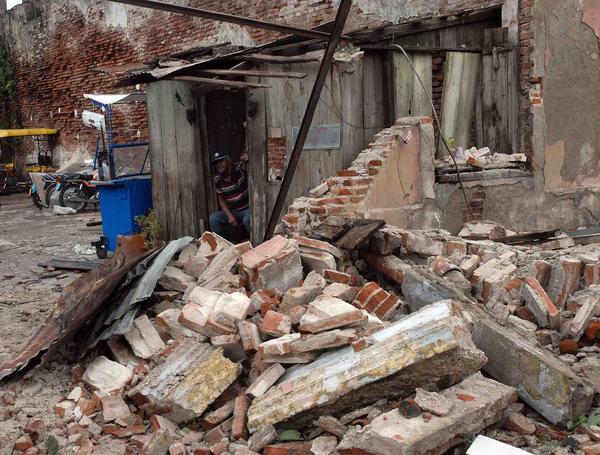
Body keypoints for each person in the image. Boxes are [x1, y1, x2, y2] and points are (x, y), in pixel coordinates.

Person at [209, 149, 250, 237]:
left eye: (221, 161)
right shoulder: (218, 179)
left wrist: (246, 157)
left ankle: (257, 244)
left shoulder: (239, 170)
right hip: (234, 211)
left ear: (227, 160)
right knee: (213, 219)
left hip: (247, 209)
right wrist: (229, 215)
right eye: (216, 163)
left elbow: (245, 159)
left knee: (248, 220)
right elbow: (221, 199)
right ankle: (226, 245)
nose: (218, 165)